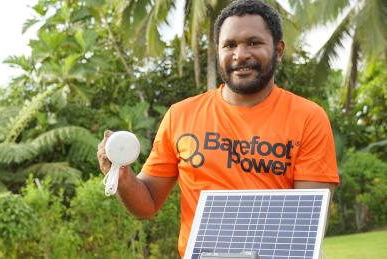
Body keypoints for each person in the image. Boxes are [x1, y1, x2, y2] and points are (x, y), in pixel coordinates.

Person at [97, 0, 340, 257]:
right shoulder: (181, 115)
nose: (240, 54)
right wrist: (121, 176)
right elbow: (146, 204)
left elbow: (308, 221)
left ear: (278, 49)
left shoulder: (308, 117)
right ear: (218, 50)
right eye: (230, 45)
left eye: (254, 43)